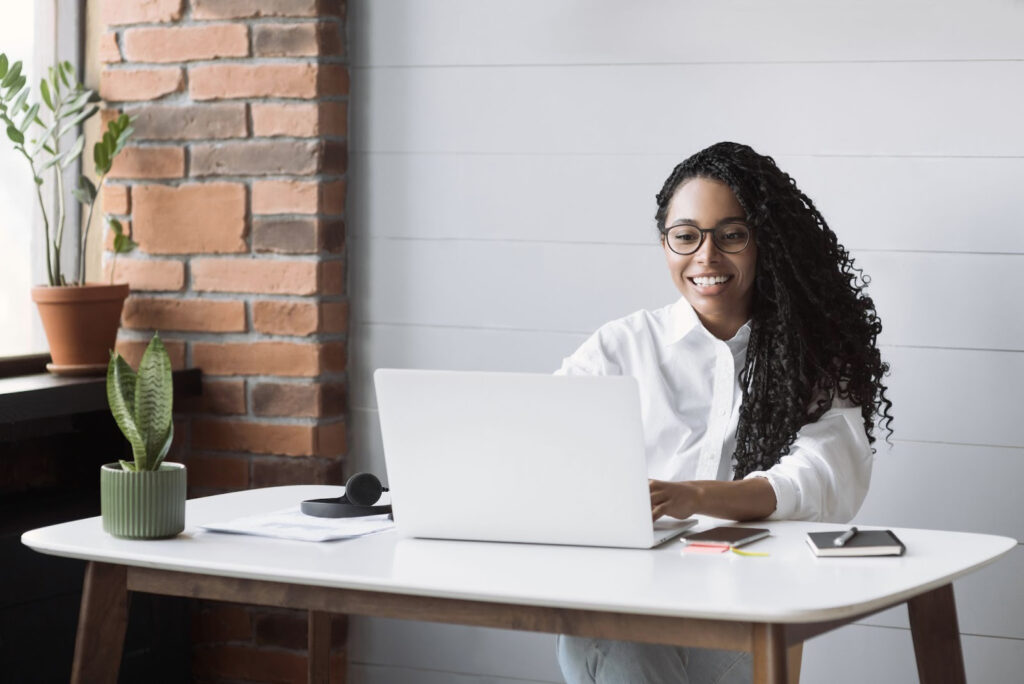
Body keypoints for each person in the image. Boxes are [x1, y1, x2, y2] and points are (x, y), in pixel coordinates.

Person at [553, 142, 894, 684]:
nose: (706, 257)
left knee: (615, 638)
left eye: (731, 235)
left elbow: (824, 479)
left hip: (741, 612)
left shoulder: (810, 356)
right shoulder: (621, 347)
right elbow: (543, 443)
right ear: (665, 243)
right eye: (686, 236)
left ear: (766, 244)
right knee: (610, 628)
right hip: (627, 595)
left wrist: (693, 497)